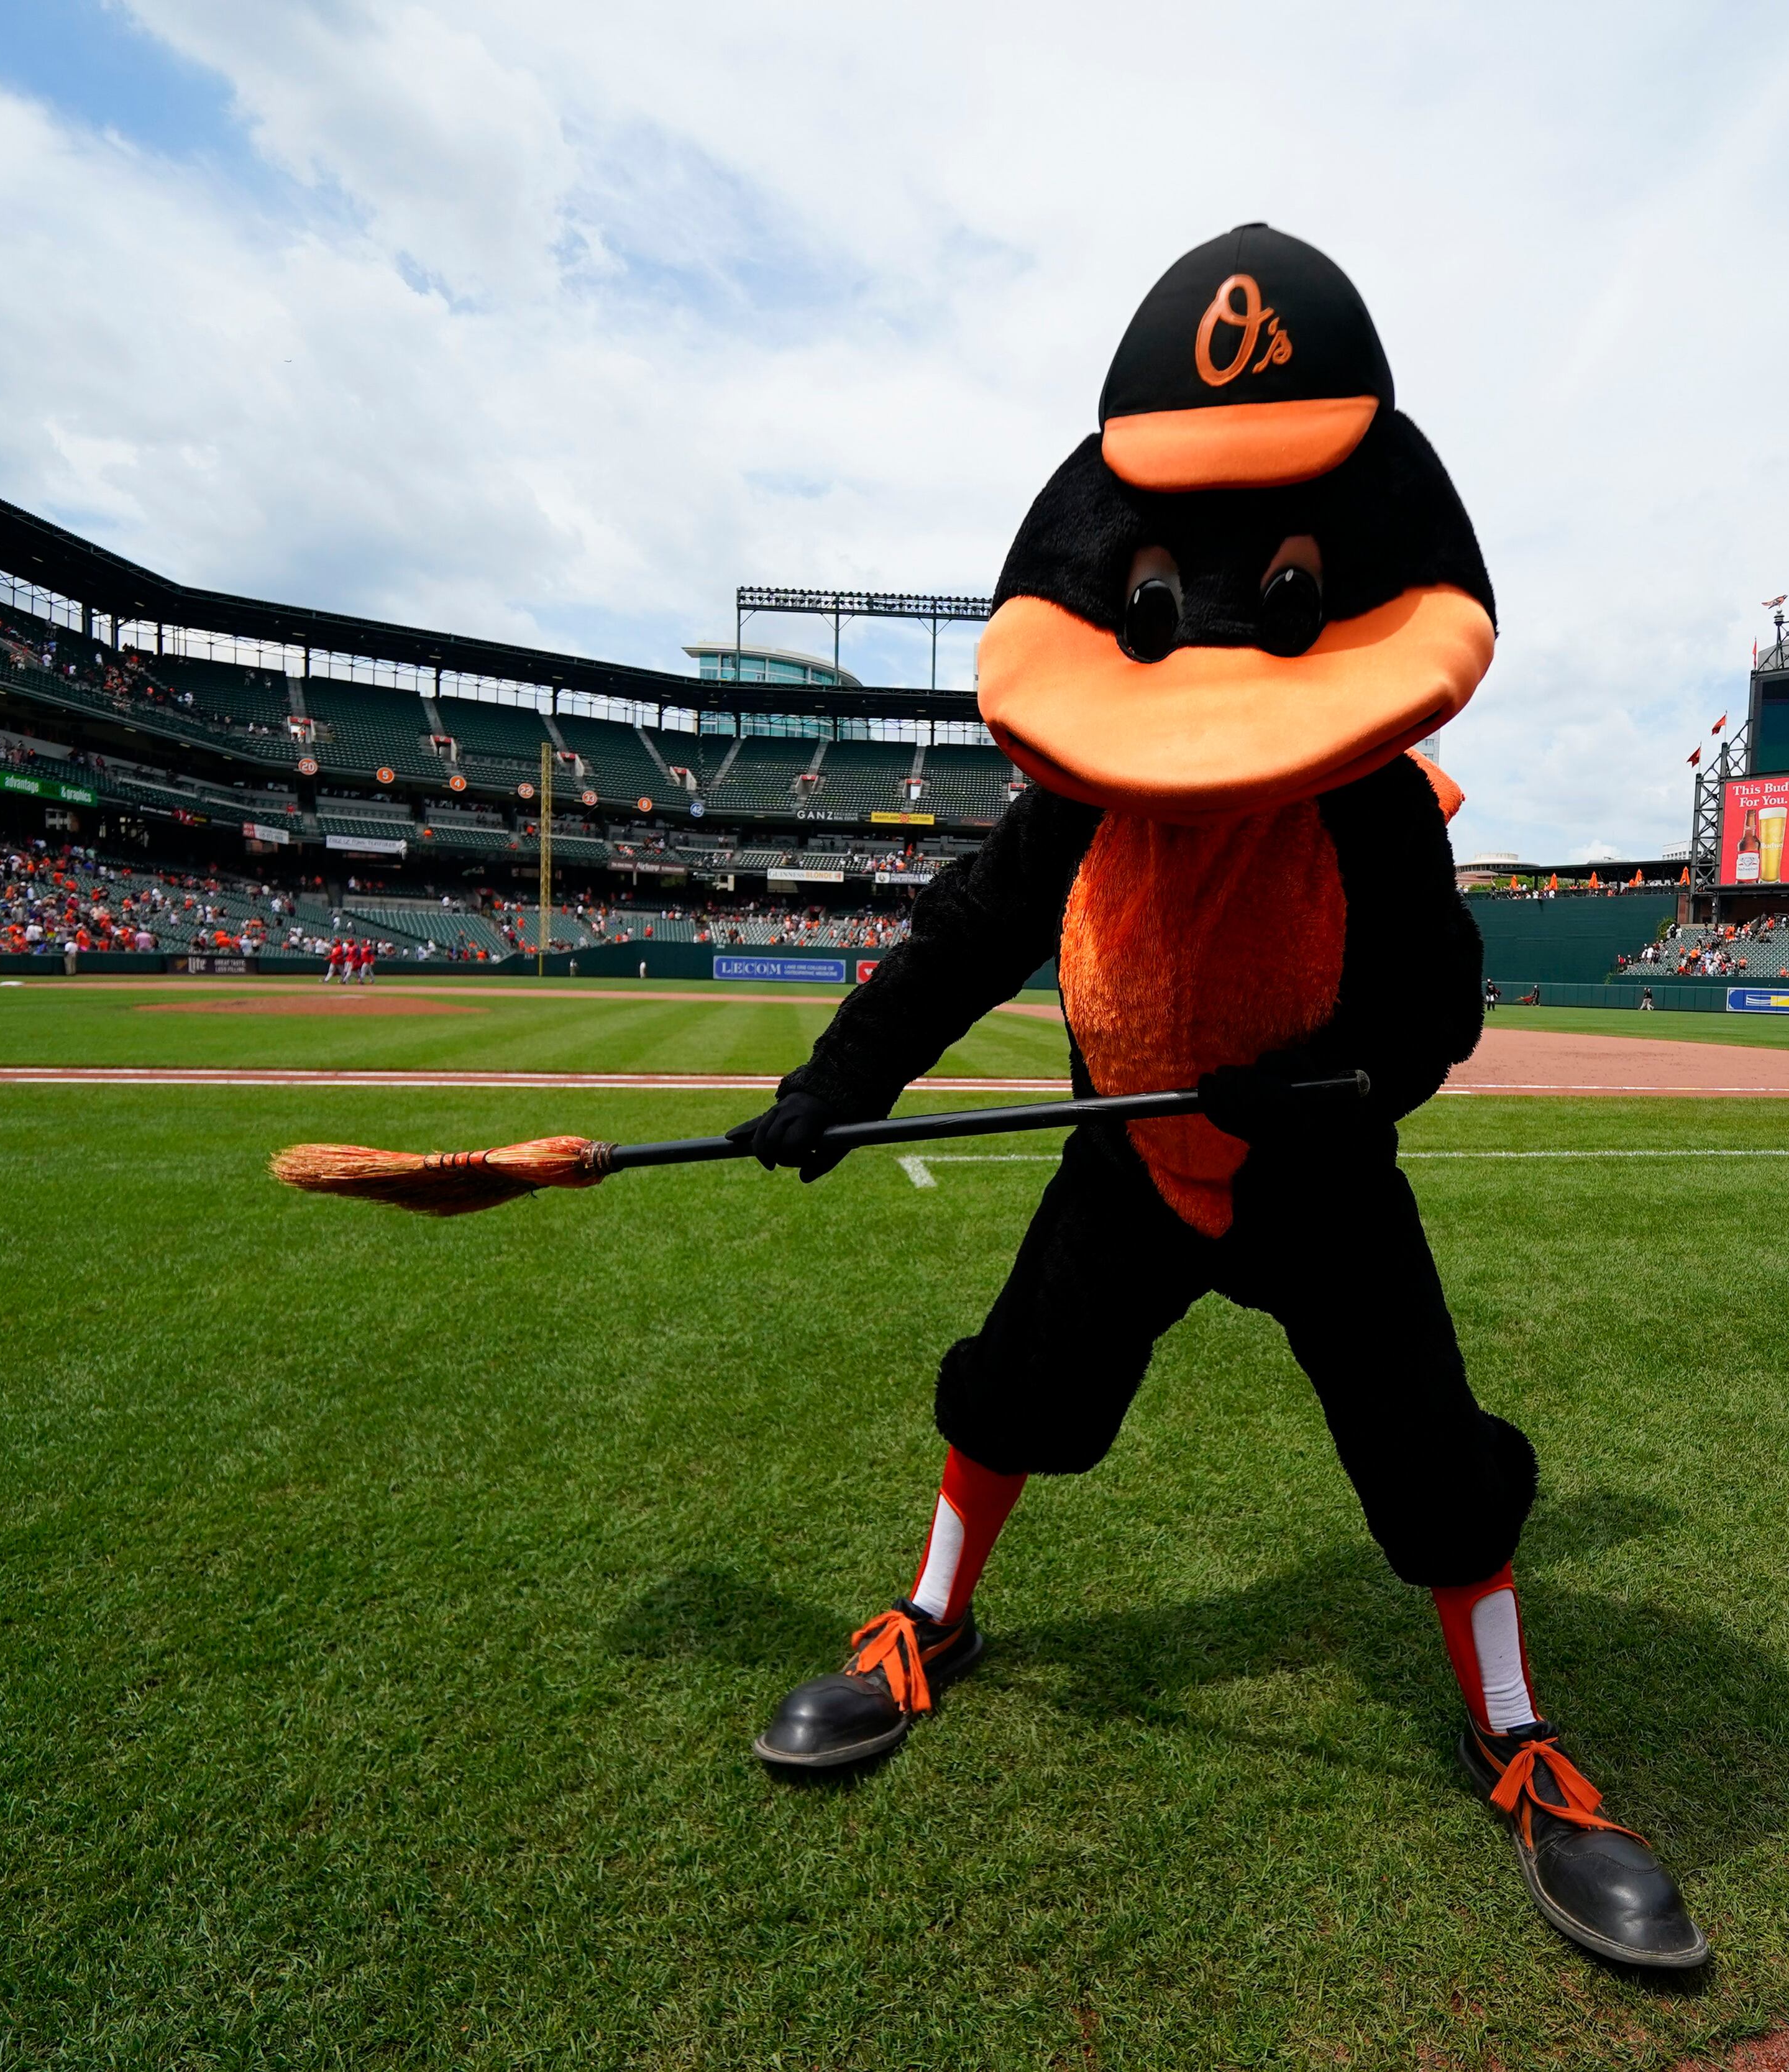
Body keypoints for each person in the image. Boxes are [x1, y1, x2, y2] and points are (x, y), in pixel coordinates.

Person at [723, 224, 1705, 1973]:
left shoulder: (1374, 797)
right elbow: (967, 936)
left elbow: (1443, 1004)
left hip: (1315, 1169)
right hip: (1131, 1157)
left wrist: (1344, 1089)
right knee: (1018, 1381)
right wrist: (839, 1076)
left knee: (1428, 1452)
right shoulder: (1085, 787)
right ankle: (931, 1617)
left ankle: (1520, 1738)